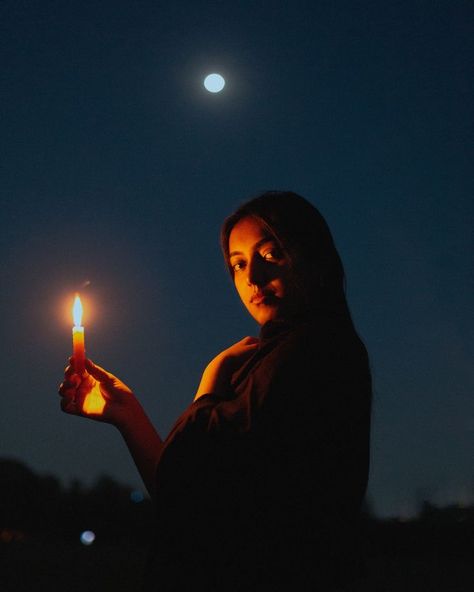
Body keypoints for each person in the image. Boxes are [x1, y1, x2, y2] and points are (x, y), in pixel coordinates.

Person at [59, 191, 372, 591]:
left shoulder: (312, 353)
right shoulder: (278, 357)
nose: (252, 278)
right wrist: (128, 415)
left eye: (271, 254)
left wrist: (212, 379)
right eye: (238, 264)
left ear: (314, 256)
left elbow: (190, 489)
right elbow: (188, 497)